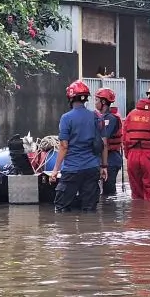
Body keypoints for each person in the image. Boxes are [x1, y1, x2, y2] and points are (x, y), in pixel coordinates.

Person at [49, 80, 108, 212]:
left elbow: (64, 146)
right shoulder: (97, 117)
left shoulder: (66, 118)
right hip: (92, 168)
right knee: (90, 209)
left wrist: (55, 170)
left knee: (61, 208)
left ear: (70, 98)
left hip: (72, 169)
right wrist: (104, 166)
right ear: (85, 98)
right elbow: (104, 143)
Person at [94, 87, 123, 196]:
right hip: (105, 158)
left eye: (97, 100)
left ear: (103, 102)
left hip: (111, 159)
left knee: (108, 192)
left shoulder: (111, 119)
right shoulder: (102, 117)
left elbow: (103, 138)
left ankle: (110, 212)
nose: (95, 103)